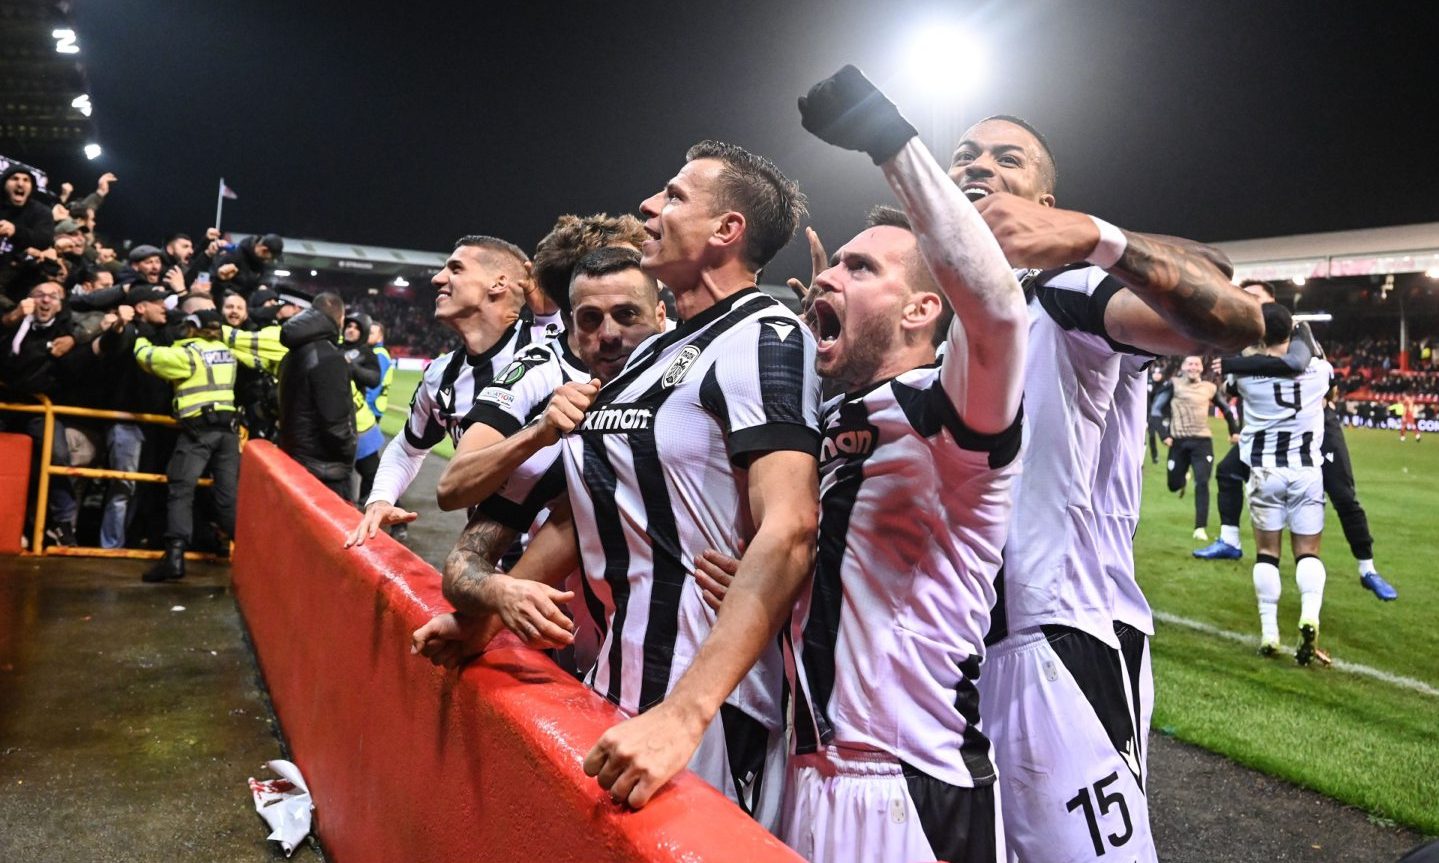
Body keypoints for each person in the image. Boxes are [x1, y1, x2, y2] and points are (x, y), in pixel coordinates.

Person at [416, 140, 818, 827]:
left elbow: (790, 527)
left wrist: (684, 715)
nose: (650, 206)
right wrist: (486, 617)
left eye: (675, 196)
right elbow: (587, 509)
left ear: (728, 231)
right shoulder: (654, 355)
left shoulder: (766, 334)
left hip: (704, 704)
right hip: (613, 678)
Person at [945, 113, 1262, 862]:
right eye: (962, 155)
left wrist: (1098, 239)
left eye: (1006, 157)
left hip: (1054, 642)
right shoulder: (937, 318)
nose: (977, 164)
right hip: (950, 649)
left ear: (1043, 205)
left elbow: (1215, 312)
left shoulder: (1060, 288)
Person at [755, 67, 1025, 863]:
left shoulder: (947, 417)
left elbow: (1000, 309)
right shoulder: (832, 416)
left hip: (901, 787)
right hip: (801, 764)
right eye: (833, 264)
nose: (831, 276)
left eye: (862, 267)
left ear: (922, 310)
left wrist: (889, 141)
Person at [419, 246, 667, 677]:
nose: (609, 333)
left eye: (627, 314)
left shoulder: (702, 369)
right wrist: (495, 606)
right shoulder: (558, 399)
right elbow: (459, 503)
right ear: (572, 323)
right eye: (590, 318)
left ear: (662, 315)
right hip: (599, 653)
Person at [1197, 280, 1396, 601]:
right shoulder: (1246, 335)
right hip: (1271, 433)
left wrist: (1232, 365)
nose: (1251, 305)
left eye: (1257, 299)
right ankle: (1230, 541)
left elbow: (1294, 364)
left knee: (1344, 496)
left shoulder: (1299, 332)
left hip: (1315, 426)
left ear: (1275, 306)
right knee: (1228, 470)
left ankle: (1367, 568)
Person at [344, 236, 533, 546]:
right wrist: (380, 497)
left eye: (456, 269)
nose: (437, 278)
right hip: (491, 558)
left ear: (499, 283)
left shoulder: (553, 348)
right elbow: (408, 447)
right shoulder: (440, 375)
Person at [1225, 303, 1334, 663]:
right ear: (1290, 331)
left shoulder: (1242, 376)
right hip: (1306, 472)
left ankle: (1270, 632)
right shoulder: (1318, 371)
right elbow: (1315, 365)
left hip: (1264, 472)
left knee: (1267, 554)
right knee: (1308, 552)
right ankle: (1309, 614)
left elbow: (1229, 388)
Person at [130, 306, 240, 581]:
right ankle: (258, 555)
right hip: (228, 434)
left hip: (198, 432)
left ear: (192, 327)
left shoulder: (189, 354)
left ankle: (175, 558)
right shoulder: (228, 353)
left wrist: (140, 335)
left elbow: (148, 358)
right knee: (227, 499)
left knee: (181, 490)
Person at [0, 280, 82, 545]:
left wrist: (74, 338)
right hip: (5, 403)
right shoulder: (14, 322)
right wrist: (12, 318)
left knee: (57, 455)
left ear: (60, 305)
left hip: (38, 408)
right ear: (28, 299)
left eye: (53, 297)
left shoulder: (65, 330)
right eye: (39, 295)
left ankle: (62, 524)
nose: (45, 301)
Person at [1149, 355, 1238, 541]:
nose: (1193, 367)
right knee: (1173, 485)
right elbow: (1155, 411)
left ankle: (1200, 528)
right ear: (1182, 366)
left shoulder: (1209, 388)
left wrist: (1234, 431)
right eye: (1189, 363)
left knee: (1203, 482)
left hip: (1202, 442)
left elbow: (1227, 410)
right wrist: (1164, 435)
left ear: (1201, 368)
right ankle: (1182, 478)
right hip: (1179, 442)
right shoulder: (1173, 384)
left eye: (1196, 364)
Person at [277, 292, 355, 499]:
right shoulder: (329, 358)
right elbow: (334, 422)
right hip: (324, 471)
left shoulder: (292, 354)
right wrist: (348, 450)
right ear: (340, 319)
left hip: (296, 460)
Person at [341, 312, 384, 504]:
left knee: (372, 473)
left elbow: (374, 379)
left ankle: (396, 520)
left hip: (360, 423)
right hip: (339, 422)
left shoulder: (367, 353)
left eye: (356, 327)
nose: (351, 329)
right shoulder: (334, 347)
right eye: (348, 326)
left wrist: (352, 368)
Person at [211, 233, 284, 298]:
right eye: (270, 258)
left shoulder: (260, 263)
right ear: (264, 250)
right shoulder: (234, 255)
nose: (268, 261)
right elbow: (215, 281)